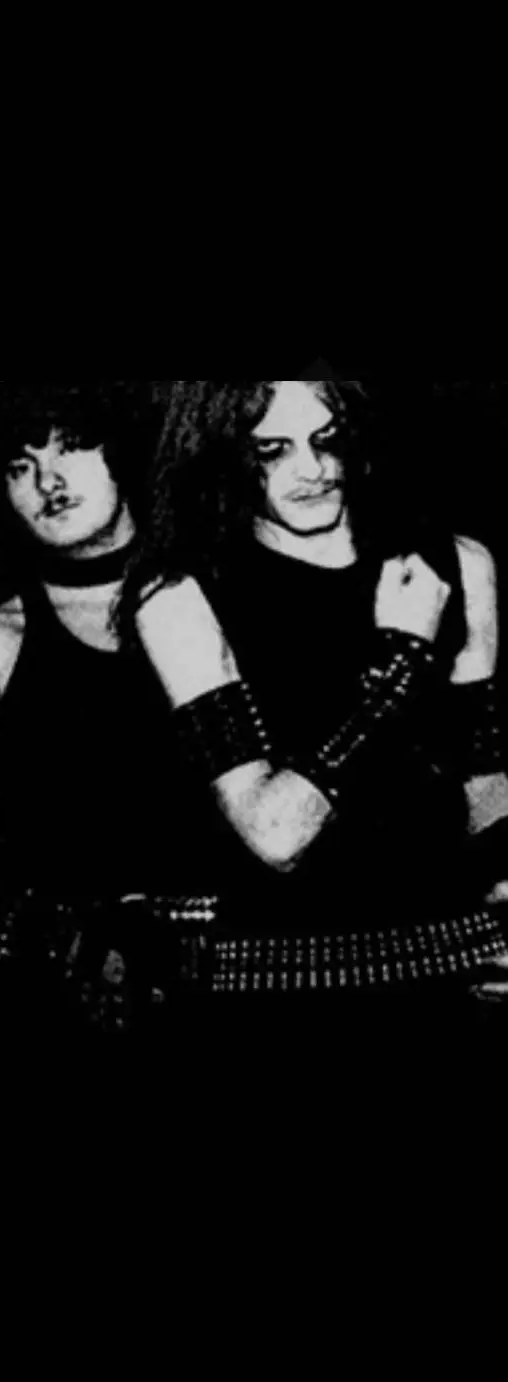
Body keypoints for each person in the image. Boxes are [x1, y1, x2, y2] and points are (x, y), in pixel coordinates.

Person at [115, 379, 507, 1026]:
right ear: (221, 454)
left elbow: (484, 779)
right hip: (278, 987)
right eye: (272, 450)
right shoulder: (180, 597)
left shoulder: (456, 564)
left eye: (328, 440)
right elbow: (274, 835)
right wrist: (398, 664)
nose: (314, 469)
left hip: (448, 967)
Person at [0, 382, 219, 1034]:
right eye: (20, 465)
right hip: (55, 1001)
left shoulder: (220, 601)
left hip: (233, 984)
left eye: (72, 447)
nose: (48, 481)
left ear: (122, 451)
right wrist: (63, 934)